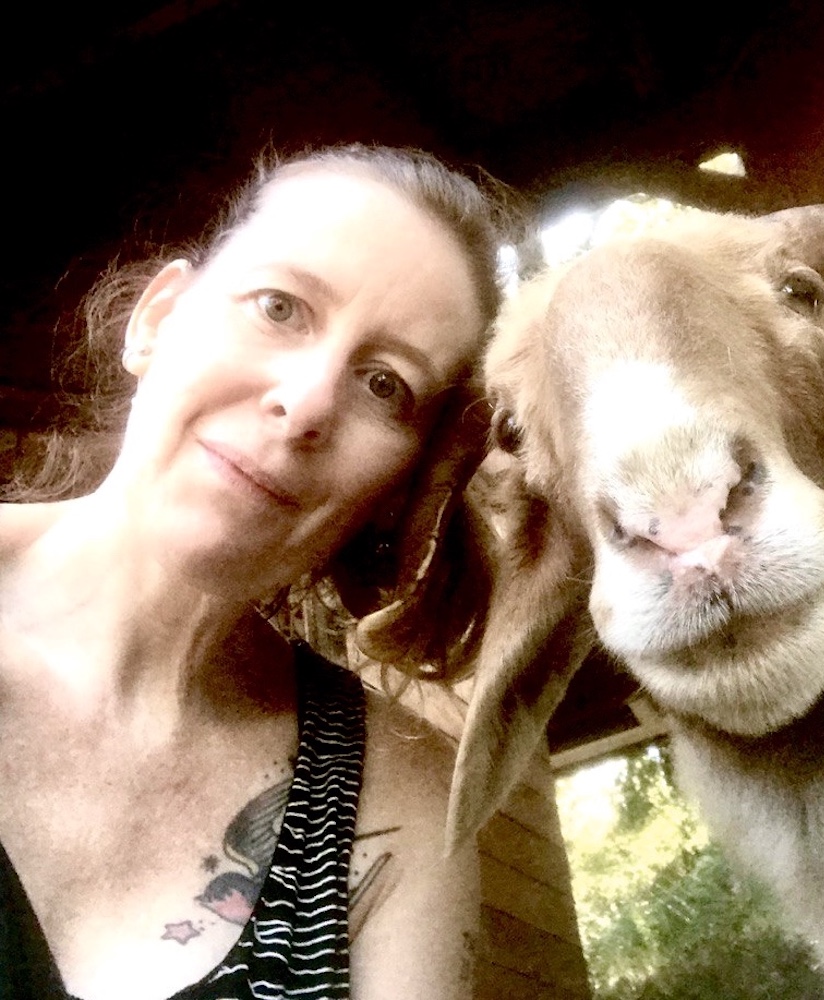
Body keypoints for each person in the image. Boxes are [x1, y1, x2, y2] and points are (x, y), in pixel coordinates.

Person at [0, 144, 506, 1000]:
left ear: (398, 492)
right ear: (155, 321)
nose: (308, 404)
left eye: (386, 386)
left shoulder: (394, 799)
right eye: (280, 306)